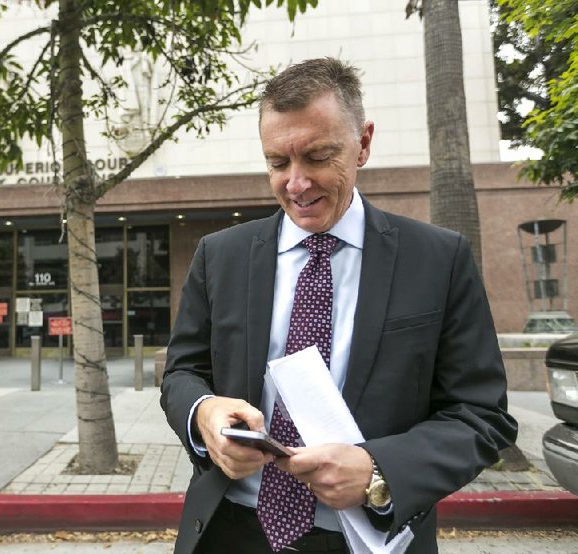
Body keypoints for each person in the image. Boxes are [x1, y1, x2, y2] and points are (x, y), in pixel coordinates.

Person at [160, 57, 517, 554]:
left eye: (318, 156)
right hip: (229, 532)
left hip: (370, 537)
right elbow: (182, 374)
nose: (296, 183)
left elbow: (482, 415)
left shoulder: (439, 259)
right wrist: (204, 413)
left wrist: (379, 472)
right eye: (278, 163)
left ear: (363, 143)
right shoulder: (220, 255)